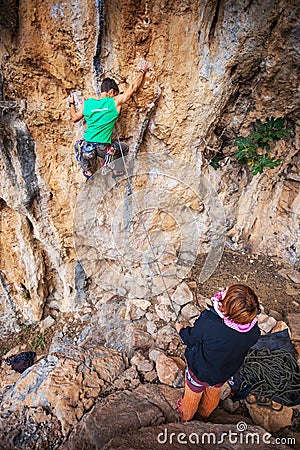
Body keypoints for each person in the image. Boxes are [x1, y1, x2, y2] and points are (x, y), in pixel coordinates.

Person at [175, 283, 261, 422]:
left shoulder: (209, 322)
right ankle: (204, 416)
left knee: (193, 393)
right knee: (213, 392)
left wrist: (181, 330)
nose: (224, 289)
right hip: (224, 372)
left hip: (199, 371)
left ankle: (186, 417)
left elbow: (191, 339)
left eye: (227, 292)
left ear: (227, 308)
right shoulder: (253, 331)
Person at [69, 60, 150, 179]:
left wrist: (71, 104)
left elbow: (75, 118)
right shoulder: (114, 102)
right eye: (116, 94)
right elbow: (132, 88)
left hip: (87, 148)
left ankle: (88, 171)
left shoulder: (88, 103)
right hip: (103, 150)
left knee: (77, 145)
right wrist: (142, 71)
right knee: (124, 148)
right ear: (111, 92)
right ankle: (116, 171)